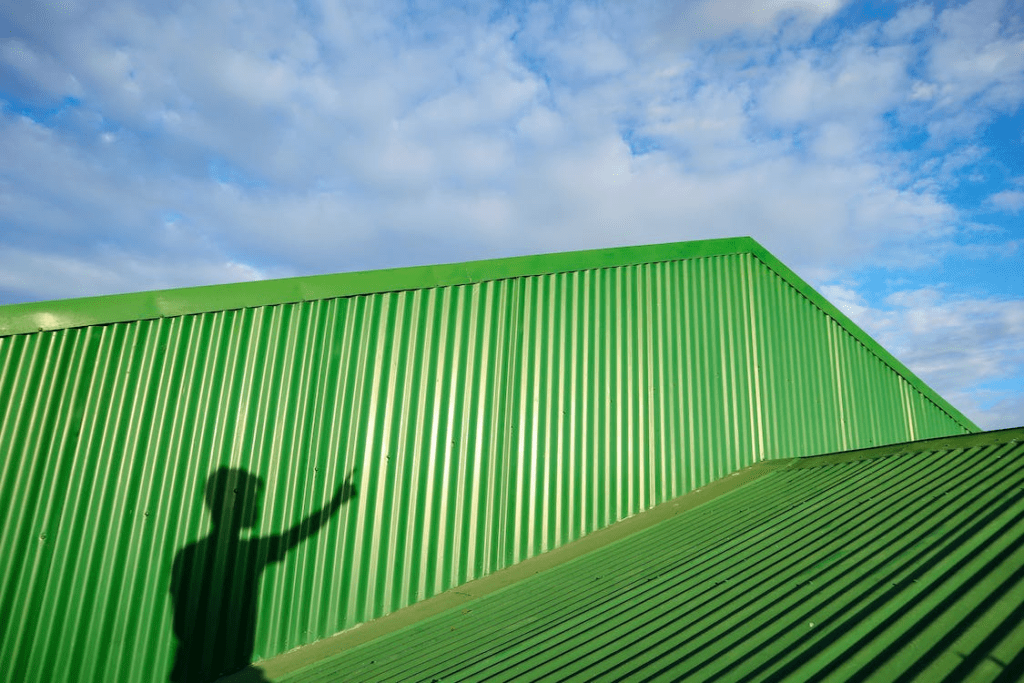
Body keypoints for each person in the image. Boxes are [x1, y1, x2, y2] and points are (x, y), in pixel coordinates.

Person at [169, 466, 357, 682]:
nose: (256, 506)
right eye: (252, 499)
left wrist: (335, 502)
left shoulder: (193, 554)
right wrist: (336, 502)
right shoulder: (245, 552)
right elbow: (295, 535)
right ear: (233, 505)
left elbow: (295, 534)